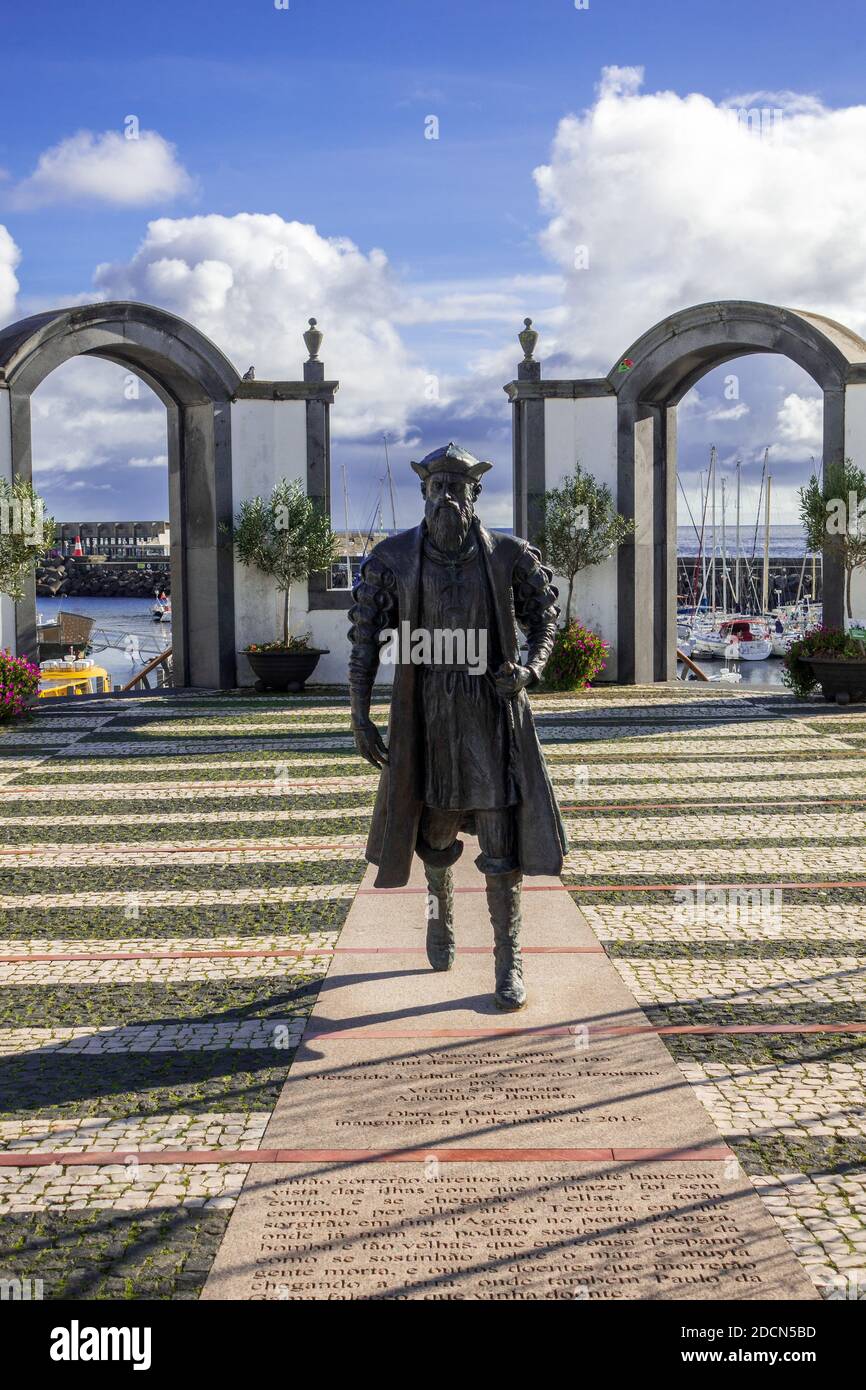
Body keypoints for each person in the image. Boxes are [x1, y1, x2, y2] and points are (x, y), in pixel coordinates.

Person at [347, 443, 568, 1010]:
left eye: (457, 488)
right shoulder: (393, 558)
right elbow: (365, 638)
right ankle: (440, 912)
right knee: (435, 836)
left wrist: (530, 668)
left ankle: (507, 961)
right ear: (423, 494)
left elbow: (545, 615)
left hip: (491, 715)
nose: (447, 497)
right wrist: (359, 714)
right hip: (427, 716)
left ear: (475, 494)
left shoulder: (507, 555)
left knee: (500, 842)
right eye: (436, 488)